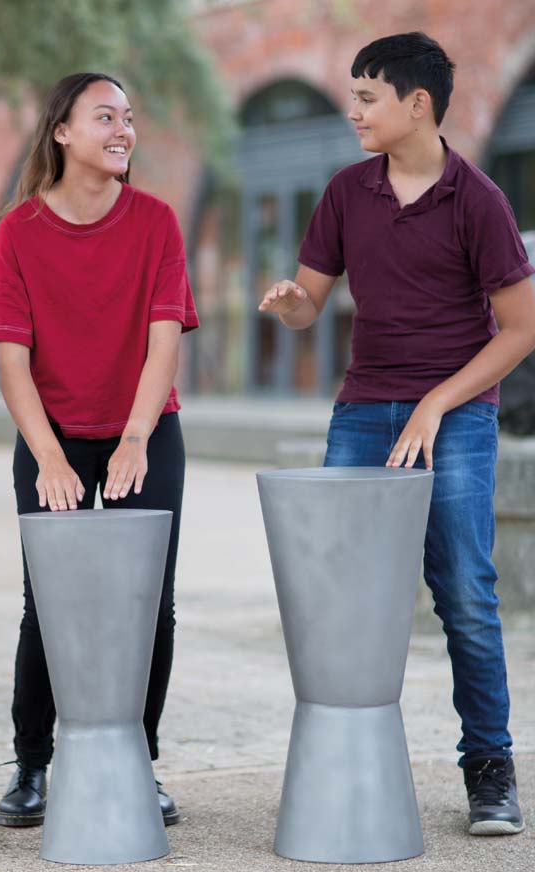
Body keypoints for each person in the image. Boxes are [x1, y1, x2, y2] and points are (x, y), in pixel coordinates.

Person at [259, 32, 535, 836]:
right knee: (336, 594)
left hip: (455, 417)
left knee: (465, 595)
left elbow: (518, 331)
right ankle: (344, 758)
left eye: (367, 97)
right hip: (361, 411)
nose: (353, 111)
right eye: (352, 96)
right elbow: (313, 300)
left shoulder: (478, 198)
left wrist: (435, 406)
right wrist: (291, 304)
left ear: (418, 103)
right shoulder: (347, 192)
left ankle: (490, 770)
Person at [0, 72, 198, 828]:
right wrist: (47, 456)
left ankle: (136, 757)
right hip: (52, 434)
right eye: (105, 116)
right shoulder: (18, 232)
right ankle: (33, 764)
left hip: (144, 425)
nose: (123, 130)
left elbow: (164, 338)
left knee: (149, 608)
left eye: (129, 118)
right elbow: (10, 359)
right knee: (51, 607)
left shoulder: (157, 222)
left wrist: (136, 436)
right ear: (62, 133)